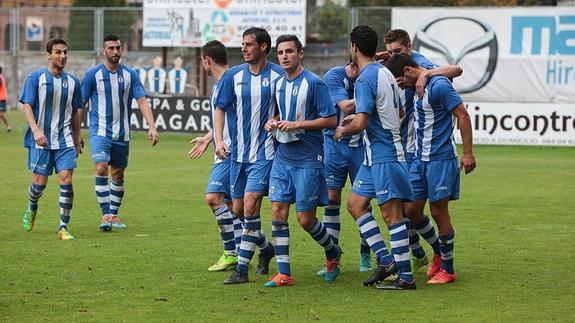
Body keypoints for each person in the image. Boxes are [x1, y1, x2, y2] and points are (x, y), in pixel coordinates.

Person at [335, 25, 415, 290]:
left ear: (354, 48)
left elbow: (361, 123)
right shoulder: (384, 72)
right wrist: (359, 116)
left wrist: (343, 129)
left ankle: (406, 277)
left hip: (385, 155)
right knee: (355, 205)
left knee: (392, 216)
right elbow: (399, 110)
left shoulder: (366, 78)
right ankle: (386, 259)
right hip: (374, 156)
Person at [385, 53, 476, 284]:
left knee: (438, 212)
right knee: (411, 209)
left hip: (440, 159)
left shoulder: (438, 85)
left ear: (407, 70)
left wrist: (468, 153)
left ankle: (448, 269)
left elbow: (463, 116)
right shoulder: (414, 87)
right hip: (419, 159)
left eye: (399, 81)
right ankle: (438, 251)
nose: (400, 86)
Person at [263, 34, 341, 287]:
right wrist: (272, 122)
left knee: (305, 219)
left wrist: (299, 125)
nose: (284, 56)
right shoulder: (277, 84)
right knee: (277, 211)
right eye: (281, 52)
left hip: (308, 157)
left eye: (289, 51)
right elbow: (277, 113)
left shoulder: (314, 83)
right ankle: (284, 273)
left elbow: (331, 120)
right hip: (282, 157)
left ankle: (332, 252)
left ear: (300, 54)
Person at [214, 27, 282, 284]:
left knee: (251, 205)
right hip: (237, 155)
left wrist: (277, 119)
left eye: (249, 44)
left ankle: (241, 269)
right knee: (239, 209)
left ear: (263, 47)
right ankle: (266, 248)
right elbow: (220, 108)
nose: (243, 48)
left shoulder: (277, 75)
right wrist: (219, 140)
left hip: (264, 153)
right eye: (242, 44)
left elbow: (287, 107)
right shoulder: (233, 76)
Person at [81, 33, 159, 232]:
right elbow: (79, 105)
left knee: (118, 173)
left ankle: (113, 215)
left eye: (118, 48)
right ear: (103, 51)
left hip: (122, 133)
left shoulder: (130, 74)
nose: (115, 52)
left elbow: (142, 100)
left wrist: (151, 126)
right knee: (101, 168)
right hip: (99, 131)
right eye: (111, 48)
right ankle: (105, 214)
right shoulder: (93, 75)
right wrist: (75, 132)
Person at [20, 38, 83, 240]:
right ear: (48, 54)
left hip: (64, 140)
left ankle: (63, 227)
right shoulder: (35, 78)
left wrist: (76, 136)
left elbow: (77, 110)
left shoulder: (73, 82)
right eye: (58, 52)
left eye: (65, 52)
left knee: (67, 180)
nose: (63, 56)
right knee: (39, 185)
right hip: (42, 141)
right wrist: (36, 131)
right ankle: (32, 206)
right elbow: (27, 105)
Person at [188, 40, 242, 272]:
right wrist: (209, 137)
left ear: (207, 60)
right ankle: (243, 251)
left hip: (230, 151)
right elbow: (225, 118)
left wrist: (220, 141)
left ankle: (232, 251)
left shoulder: (231, 83)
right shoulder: (219, 86)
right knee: (233, 206)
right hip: (224, 147)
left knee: (213, 198)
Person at [319, 61, 373, 275]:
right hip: (334, 146)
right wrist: (373, 91)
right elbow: (346, 107)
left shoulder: (370, 73)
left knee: (363, 201)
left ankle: (365, 252)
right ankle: (332, 260)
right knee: (332, 201)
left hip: (360, 145)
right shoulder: (333, 75)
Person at [0, 66, 12, 132]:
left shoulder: (0, 77)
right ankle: (8, 126)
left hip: (2, 98)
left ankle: (8, 126)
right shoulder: (1, 76)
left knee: (1, 114)